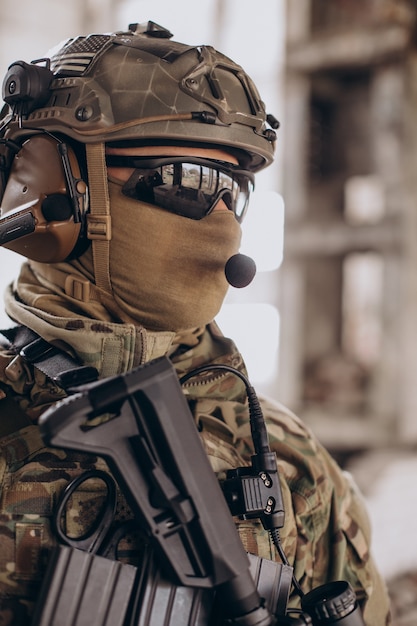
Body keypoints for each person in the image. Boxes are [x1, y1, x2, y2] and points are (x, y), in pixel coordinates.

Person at [0, 20, 390, 625]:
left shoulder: (285, 457)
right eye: (185, 180)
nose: (220, 225)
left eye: (233, 190)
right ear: (53, 187)